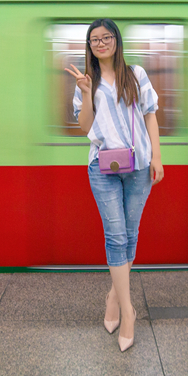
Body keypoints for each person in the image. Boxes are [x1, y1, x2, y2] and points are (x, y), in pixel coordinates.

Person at [65, 19, 164, 352]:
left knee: (131, 235)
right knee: (115, 236)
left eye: (106, 37)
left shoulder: (135, 74)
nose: (101, 42)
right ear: (89, 46)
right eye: (94, 39)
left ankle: (112, 297)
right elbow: (84, 128)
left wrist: (158, 158)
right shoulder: (86, 82)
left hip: (138, 166)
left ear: (117, 41)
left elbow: (150, 115)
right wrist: (83, 92)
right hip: (102, 167)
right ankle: (128, 311)